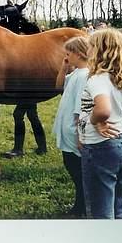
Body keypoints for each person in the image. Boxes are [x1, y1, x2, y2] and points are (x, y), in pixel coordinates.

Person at [78, 28, 122, 219]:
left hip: (100, 149)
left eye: (91, 46)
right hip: (120, 143)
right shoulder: (118, 78)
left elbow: (103, 109)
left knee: (101, 215)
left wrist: (95, 120)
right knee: (119, 208)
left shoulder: (98, 79)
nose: (88, 51)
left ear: (101, 50)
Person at [53, 35, 89, 218]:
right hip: (67, 128)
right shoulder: (75, 73)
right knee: (72, 167)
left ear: (79, 53)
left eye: (69, 53)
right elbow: (59, 86)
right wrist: (64, 68)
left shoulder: (85, 76)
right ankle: (80, 204)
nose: (66, 56)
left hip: (73, 130)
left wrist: (79, 134)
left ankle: (80, 206)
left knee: (76, 170)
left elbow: (80, 108)